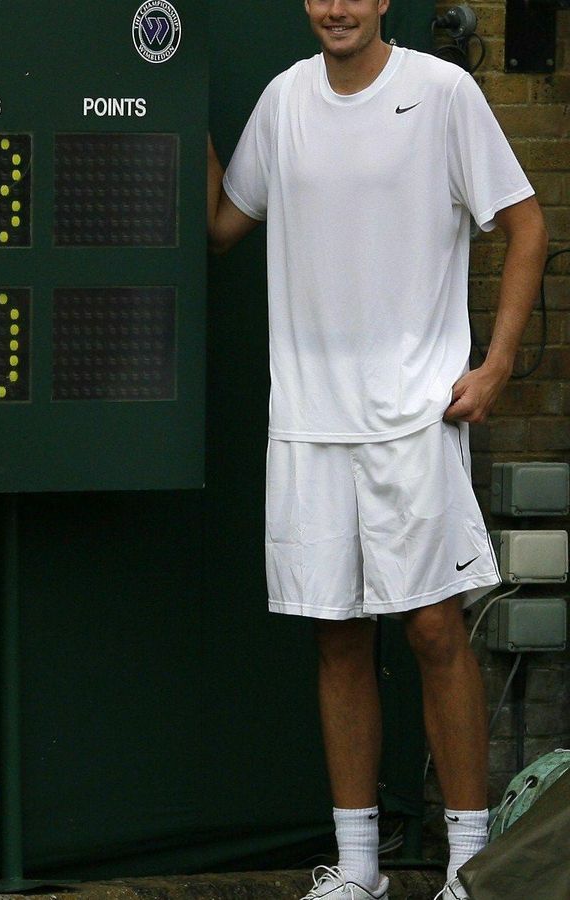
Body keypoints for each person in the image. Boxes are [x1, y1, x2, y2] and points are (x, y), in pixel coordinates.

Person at [206, 1, 548, 899]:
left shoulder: (443, 92)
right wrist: (165, 92)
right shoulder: (282, 102)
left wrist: (499, 363)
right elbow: (220, 224)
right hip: (309, 425)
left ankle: (469, 867)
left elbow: (526, 225)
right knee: (338, 638)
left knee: (435, 628)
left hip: (415, 420)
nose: (336, 8)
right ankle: (359, 870)